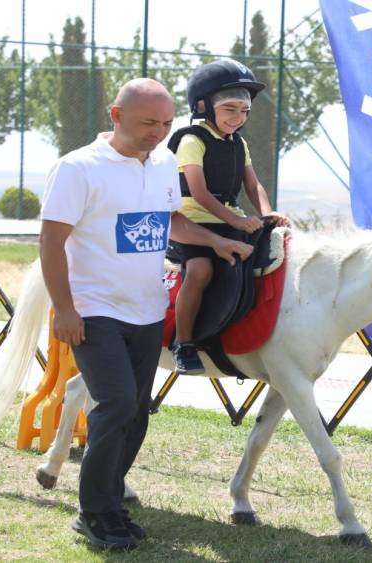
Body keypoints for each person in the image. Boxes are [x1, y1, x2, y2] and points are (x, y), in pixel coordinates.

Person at [39, 78, 253, 550]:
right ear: (116, 116)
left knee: (136, 412)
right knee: (115, 403)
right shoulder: (78, 168)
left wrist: (218, 240)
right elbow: (52, 239)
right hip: (94, 309)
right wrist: (64, 308)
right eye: (148, 123)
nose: (159, 132)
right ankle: (93, 513)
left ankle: (110, 503)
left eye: (166, 123)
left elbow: (170, 219)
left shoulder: (163, 164)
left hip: (148, 309)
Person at [167, 58, 290, 375]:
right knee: (200, 270)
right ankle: (184, 343)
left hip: (229, 219)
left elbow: (253, 184)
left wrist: (266, 213)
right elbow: (198, 192)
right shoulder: (191, 140)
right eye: (230, 109)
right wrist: (236, 221)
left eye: (244, 111)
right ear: (204, 106)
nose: (238, 118)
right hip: (194, 224)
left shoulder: (238, 143)